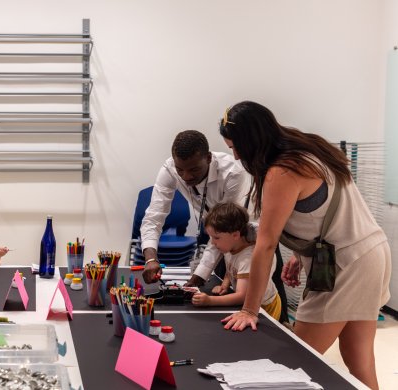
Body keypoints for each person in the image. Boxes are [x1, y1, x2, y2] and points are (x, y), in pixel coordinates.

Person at [219, 101, 390, 390]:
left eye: (236, 148)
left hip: (345, 266)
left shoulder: (282, 171)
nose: (235, 157)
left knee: (295, 362)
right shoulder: (307, 149)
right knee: (359, 360)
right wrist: (299, 255)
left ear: (252, 142)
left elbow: (265, 244)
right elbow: (321, 212)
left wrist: (249, 310)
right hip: (370, 254)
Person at [141, 130, 252, 286]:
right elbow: (154, 217)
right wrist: (151, 259)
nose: (186, 177)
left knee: (261, 301)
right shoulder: (170, 169)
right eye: (180, 170)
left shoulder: (232, 173)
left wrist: (198, 277)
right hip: (220, 240)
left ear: (208, 158)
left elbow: (226, 227)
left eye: (194, 170)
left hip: (249, 240)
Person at [191, 202, 281, 321]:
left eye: (216, 237)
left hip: (264, 306)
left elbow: (242, 296)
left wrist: (210, 300)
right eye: (211, 237)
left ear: (235, 235)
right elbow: (232, 267)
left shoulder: (248, 259)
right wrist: (225, 283)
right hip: (249, 304)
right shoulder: (231, 246)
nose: (212, 242)